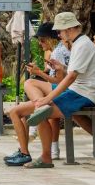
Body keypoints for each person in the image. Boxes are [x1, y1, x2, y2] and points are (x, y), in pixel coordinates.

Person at [25, 11, 95, 168]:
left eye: (60, 31)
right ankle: (46, 153)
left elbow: (71, 77)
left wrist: (48, 98)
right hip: (80, 90)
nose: (59, 35)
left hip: (83, 93)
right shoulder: (80, 43)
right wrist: (63, 68)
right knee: (38, 106)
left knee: (41, 113)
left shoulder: (82, 45)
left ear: (69, 29)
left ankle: (46, 156)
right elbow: (74, 73)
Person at [4, 21, 70, 166]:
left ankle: (24, 152)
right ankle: (29, 149)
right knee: (22, 110)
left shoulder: (57, 52)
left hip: (63, 92)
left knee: (28, 87)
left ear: (51, 39)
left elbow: (60, 82)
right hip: (65, 91)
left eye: (42, 40)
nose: (40, 44)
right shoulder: (61, 50)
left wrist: (39, 73)